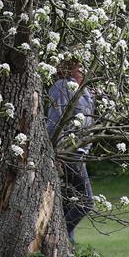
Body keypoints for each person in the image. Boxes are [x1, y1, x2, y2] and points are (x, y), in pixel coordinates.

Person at [46, 58, 95, 242]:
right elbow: (54, 119)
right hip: (67, 152)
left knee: (69, 203)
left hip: (79, 152)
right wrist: (54, 151)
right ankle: (60, 238)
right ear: (69, 69)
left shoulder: (86, 90)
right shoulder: (62, 86)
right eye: (80, 68)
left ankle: (68, 247)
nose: (84, 71)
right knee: (86, 201)